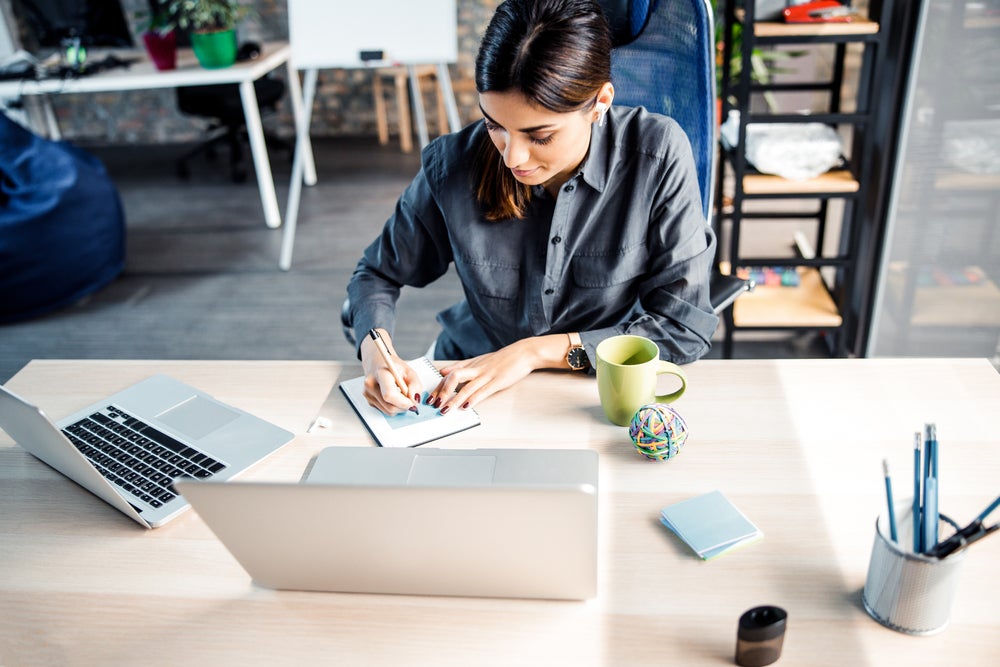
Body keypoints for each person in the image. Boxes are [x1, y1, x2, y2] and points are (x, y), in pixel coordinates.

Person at [347, 0, 718, 416]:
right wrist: (375, 350)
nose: (511, 157)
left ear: (600, 102)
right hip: (463, 381)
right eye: (494, 125)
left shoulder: (657, 154)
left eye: (539, 136)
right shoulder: (455, 162)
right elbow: (375, 274)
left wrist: (531, 354)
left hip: (592, 392)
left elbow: (683, 328)